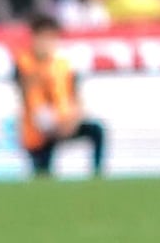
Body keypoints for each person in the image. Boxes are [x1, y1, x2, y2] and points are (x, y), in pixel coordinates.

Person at [14, 18, 106, 178]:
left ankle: (97, 174)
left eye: (51, 38)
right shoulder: (23, 63)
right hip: (38, 131)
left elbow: (76, 98)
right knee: (42, 174)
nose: (47, 43)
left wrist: (72, 120)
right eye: (43, 37)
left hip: (65, 123)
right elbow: (25, 94)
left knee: (96, 130)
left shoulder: (64, 65)